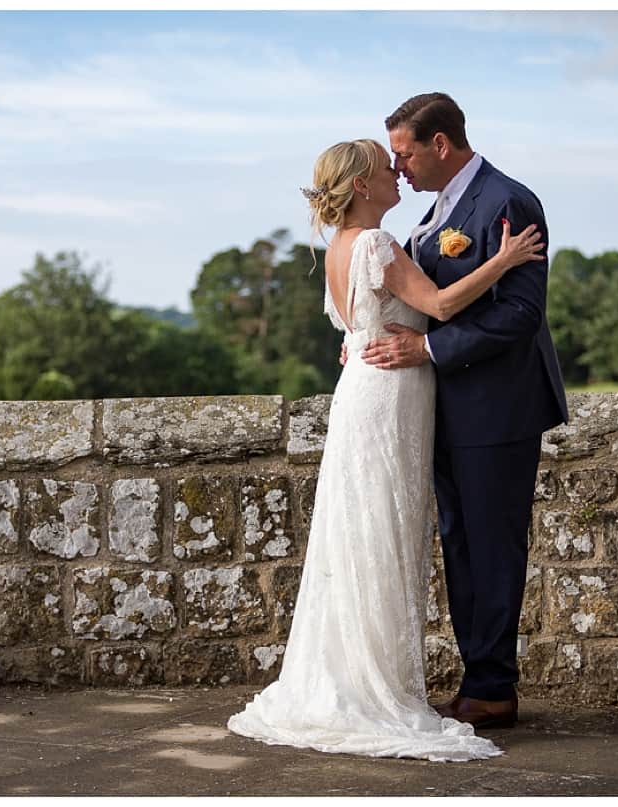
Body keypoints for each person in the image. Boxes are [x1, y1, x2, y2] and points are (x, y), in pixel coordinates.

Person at [227, 138, 545, 762]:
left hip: (363, 390)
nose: (396, 173)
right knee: (381, 532)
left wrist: (360, 340)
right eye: (384, 166)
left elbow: (356, 326)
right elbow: (441, 304)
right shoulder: (376, 243)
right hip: (390, 393)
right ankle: (375, 689)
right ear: (362, 185)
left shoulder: (340, 246)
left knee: (363, 532)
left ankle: (357, 678)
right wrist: (504, 260)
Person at [361, 92, 568, 729]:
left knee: (492, 547)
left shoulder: (507, 201)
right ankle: (478, 679)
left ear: (440, 144)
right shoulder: (440, 210)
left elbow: (521, 313)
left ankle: (494, 689)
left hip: (497, 407)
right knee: (461, 545)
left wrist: (428, 348)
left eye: (404, 154)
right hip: (448, 408)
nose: (399, 169)